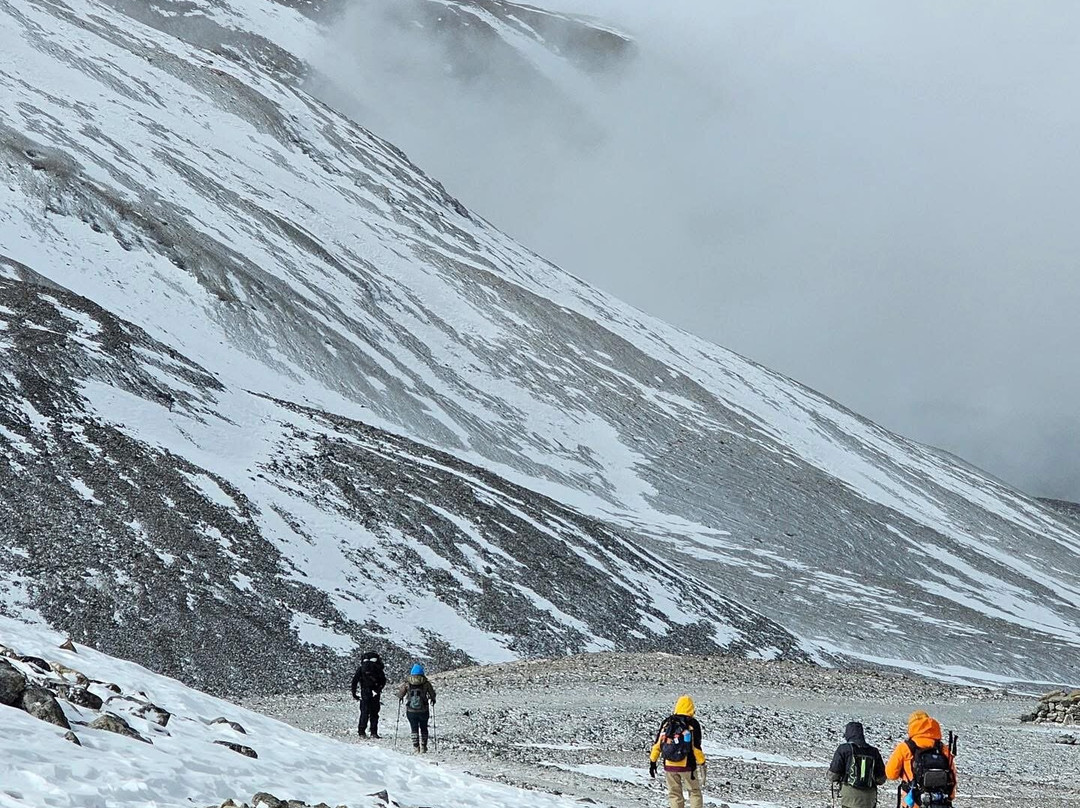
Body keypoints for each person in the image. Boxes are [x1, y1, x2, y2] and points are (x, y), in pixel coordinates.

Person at [885, 711, 957, 808]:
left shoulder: (905, 747)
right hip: (940, 802)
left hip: (912, 802)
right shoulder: (942, 748)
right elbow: (952, 776)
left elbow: (891, 774)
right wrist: (949, 797)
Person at [648, 695, 707, 808]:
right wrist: (702, 763)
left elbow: (657, 745)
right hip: (687, 766)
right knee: (694, 792)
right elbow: (696, 747)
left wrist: (653, 762)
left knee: (674, 794)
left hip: (669, 765)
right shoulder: (692, 724)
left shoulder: (667, 723)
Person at [828, 721, 887, 807]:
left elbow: (833, 775)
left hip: (849, 797)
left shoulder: (843, 749)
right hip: (869, 799)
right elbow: (881, 779)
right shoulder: (874, 751)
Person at [396, 662, 437, 753]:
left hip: (411, 710)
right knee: (424, 727)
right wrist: (433, 700)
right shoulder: (426, 683)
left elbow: (400, 694)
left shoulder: (407, 683)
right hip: (424, 710)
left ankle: (416, 747)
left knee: (414, 728)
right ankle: (424, 746)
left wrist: (400, 697)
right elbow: (432, 694)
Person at [350, 649, 386, 738]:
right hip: (375, 692)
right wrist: (379, 688)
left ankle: (361, 731)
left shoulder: (362, 668)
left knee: (364, 712)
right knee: (374, 713)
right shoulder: (378, 667)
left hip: (365, 691)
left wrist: (354, 693)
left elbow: (354, 681)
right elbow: (383, 680)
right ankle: (374, 732)